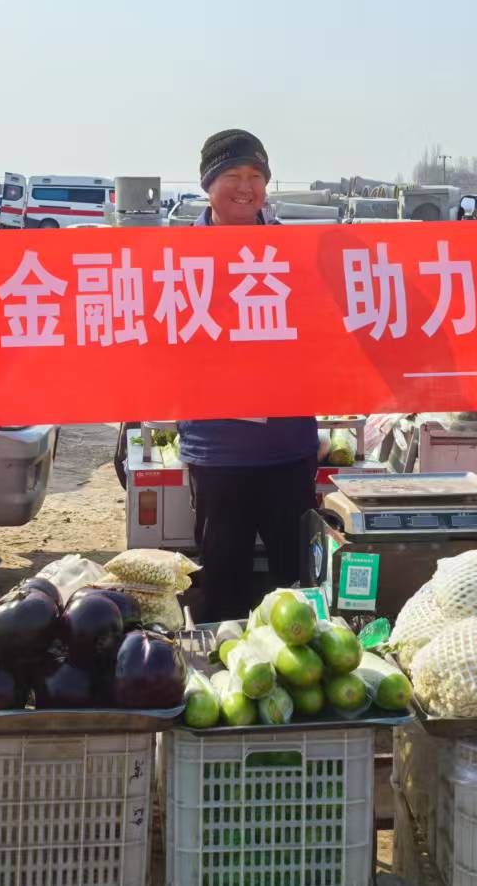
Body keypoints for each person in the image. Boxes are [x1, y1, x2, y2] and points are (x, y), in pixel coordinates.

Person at [176, 129, 320, 620]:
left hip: (287, 448)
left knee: (297, 585)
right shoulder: (175, 258)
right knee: (222, 583)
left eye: (256, 176)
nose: (245, 187)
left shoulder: (296, 253)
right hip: (217, 451)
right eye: (232, 175)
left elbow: (325, 329)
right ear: (207, 185)